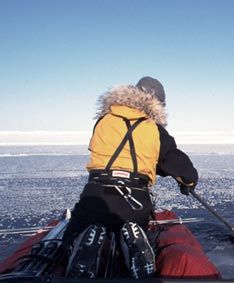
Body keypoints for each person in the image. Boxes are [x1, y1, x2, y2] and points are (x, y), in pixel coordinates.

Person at [63, 77, 198, 278]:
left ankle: (82, 241)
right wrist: (188, 181)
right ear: (157, 103)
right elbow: (172, 162)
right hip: (134, 199)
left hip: (97, 195)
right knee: (134, 228)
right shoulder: (154, 128)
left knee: (71, 237)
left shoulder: (105, 119)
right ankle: (135, 242)